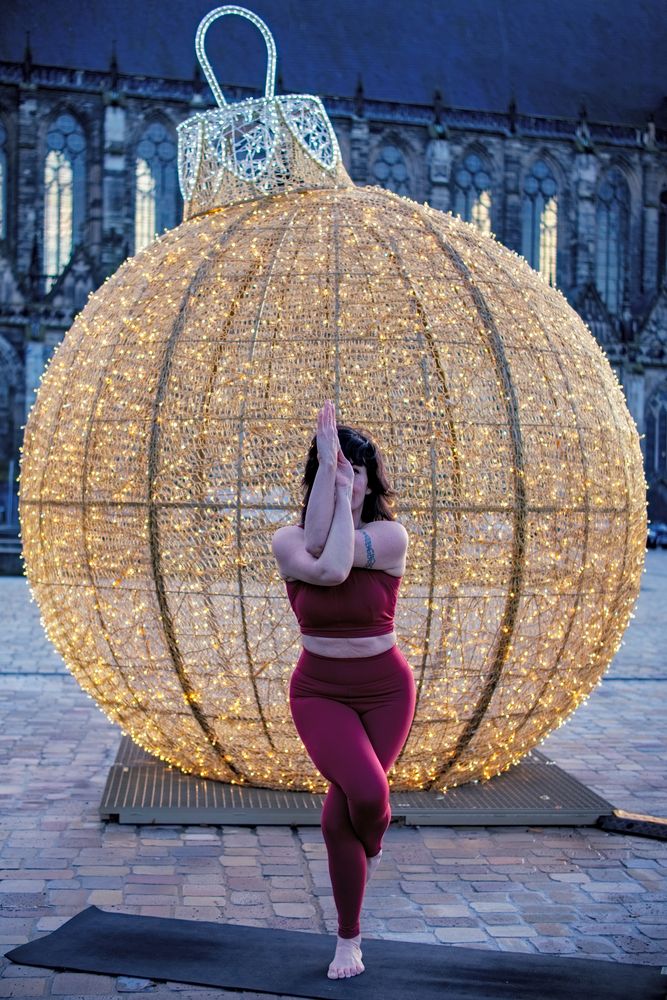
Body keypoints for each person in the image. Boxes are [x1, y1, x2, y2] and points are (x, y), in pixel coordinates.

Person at [271, 400, 416, 980]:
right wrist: (327, 480)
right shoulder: (287, 540)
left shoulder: (389, 535)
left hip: (385, 690)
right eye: (332, 469)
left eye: (353, 471)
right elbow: (324, 567)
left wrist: (334, 484)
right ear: (315, 482)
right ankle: (370, 863)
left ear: (369, 480)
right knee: (359, 792)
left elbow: (333, 565)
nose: (345, 479)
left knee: (341, 818)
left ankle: (348, 937)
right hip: (319, 692)